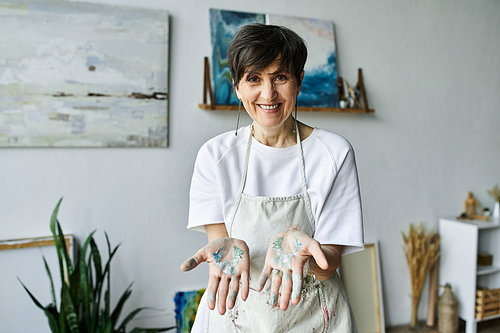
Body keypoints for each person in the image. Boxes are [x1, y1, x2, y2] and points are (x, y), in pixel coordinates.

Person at [181, 23, 364, 332]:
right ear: (237, 86)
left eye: (281, 77)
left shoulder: (334, 153)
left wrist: (308, 257)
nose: (268, 94)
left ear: (299, 81)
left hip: (315, 318)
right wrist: (226, 247)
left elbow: (329, 261)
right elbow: (222, 246)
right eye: (254, 78)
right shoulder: (214, 156)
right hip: (236, 314)